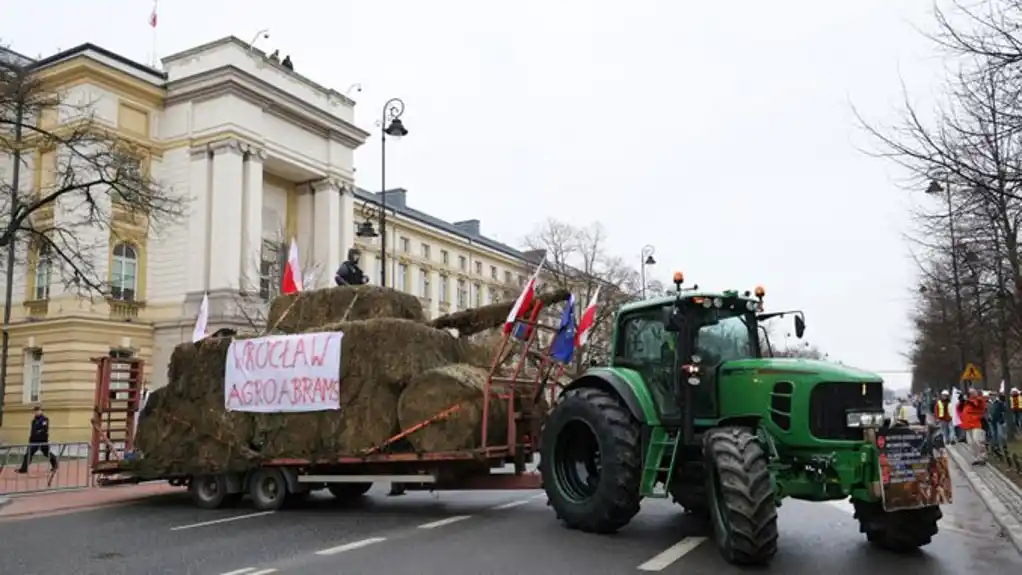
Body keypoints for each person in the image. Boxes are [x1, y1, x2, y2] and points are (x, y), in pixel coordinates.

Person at [16, 405, 59, 473]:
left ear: (41, 411)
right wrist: (31, 439)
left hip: (42, 440)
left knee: (46, 453)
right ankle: (23, 469)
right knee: (28, 454)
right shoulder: (33, 421)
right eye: (35, 411)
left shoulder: (45, 419)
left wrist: (38, 433)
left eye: (38, 411)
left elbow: (44, 429)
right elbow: (33, 431)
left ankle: (55, 465)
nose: (37, 412)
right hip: (33, 441)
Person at [960, 388, 989, 465]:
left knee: (978, 440)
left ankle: (982, 457)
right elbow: (959, 409)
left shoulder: (979, 400)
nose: (972, 394)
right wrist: (961, 402)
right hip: (968, 424)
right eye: (970, 393)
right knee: (971, 442)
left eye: (973, 392)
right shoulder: (966, 402)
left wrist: (968, 401)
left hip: (977, 423)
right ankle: (977, 457)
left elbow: (977, 404)